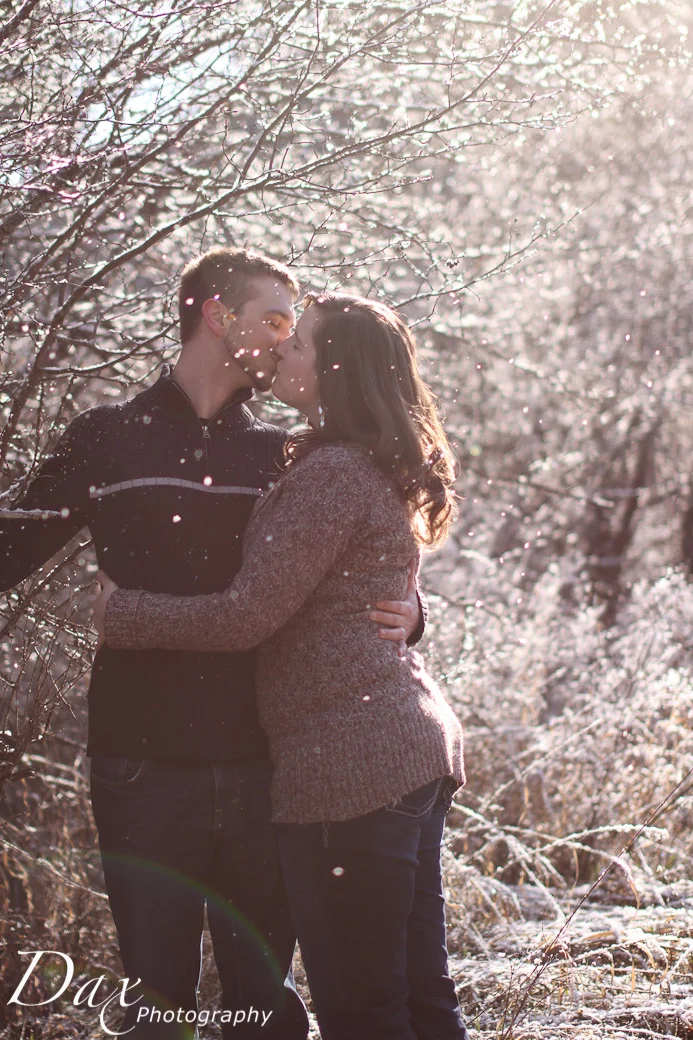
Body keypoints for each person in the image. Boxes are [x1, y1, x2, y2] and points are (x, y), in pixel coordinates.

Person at [0, 252, 425, 1039]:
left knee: (261, 1009)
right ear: (214, 315)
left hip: (268, 763)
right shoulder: (106, 439)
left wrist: (412, 610)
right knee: (156, 1006)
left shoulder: (286, 457)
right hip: (140, 759)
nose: (287, 339)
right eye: (273, 319)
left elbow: (360, 558)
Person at [94, 292, 470, 1040]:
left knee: (365, 1011)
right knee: (419, 1000)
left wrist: (123, 613)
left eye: (297, 345)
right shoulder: (357, 464)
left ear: (332, 370)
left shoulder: (330, 475)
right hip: (399, 750)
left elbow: (246, 616)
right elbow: (368, 583)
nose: (281, 353)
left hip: (352, 770)